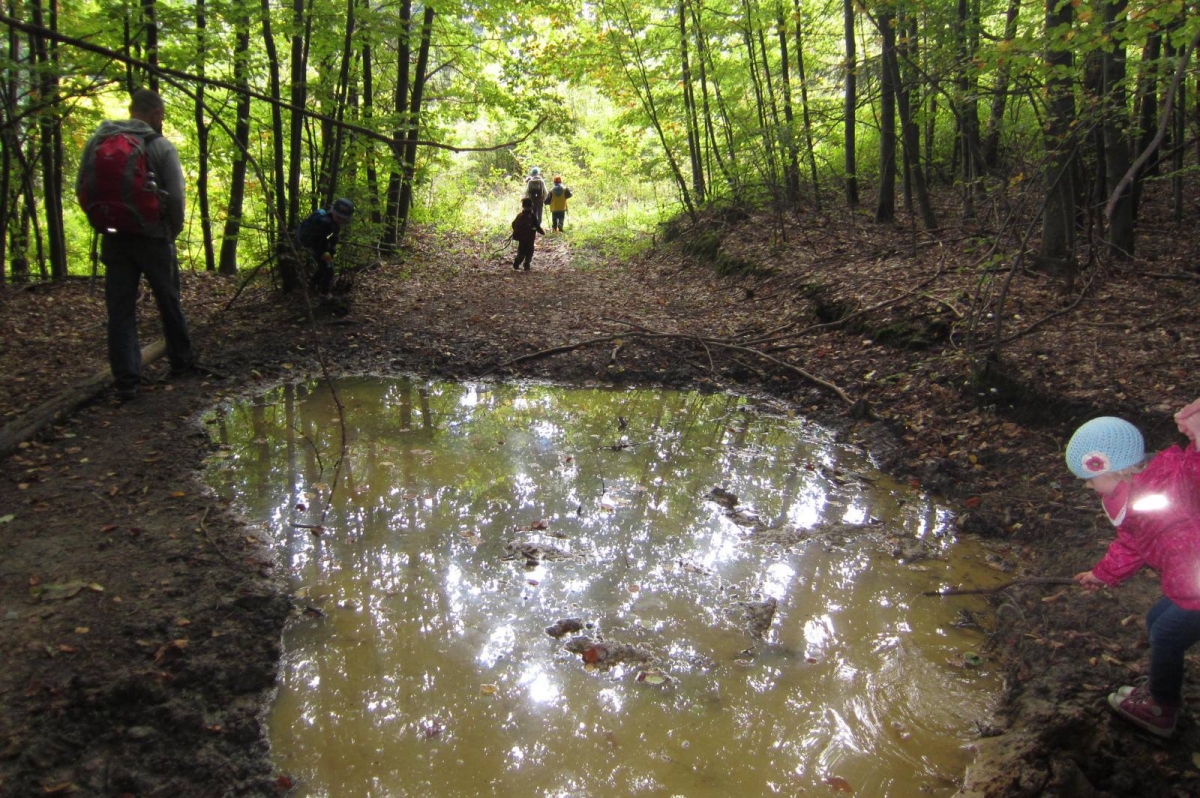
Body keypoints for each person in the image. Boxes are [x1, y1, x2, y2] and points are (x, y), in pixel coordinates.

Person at [1068, 401, 1200, 738]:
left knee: (1166, 634)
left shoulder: (1174, 479)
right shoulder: (1134, 496)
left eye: (1090, 480)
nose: (1088, 487)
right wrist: (1101, 574)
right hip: (1189, 584)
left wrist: (1198, 436)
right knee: (1157, 620)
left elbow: (1195, 467)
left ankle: (1161, 709)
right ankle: (1160, 688)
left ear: (1113, 469)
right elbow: (1132, 543)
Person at [76, 88, 195, 402]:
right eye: (162, 115)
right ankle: (182, 362)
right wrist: (171, 230)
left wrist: (103, 221)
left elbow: (82, 188)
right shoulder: (161, 146)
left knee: (120, 310)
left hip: (114, 237)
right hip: (154, 238)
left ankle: (127, 381)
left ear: (132, 110)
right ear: (155, 113)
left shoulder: (97, 142)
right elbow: (177, 197)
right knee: (168, 300)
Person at [296, 198, 354, 298]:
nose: (340, 220)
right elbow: (319, 242)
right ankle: (324, 293)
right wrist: (325, 254)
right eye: (338, 217)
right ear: (333, 212)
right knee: (329, 271)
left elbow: (330, 238)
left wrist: (330, 251)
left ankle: (313, 286)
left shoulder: (332, 223)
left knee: (323, 268)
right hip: (317, 249)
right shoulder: (325, 223)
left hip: (321, 249)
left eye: (342, 219)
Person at [510, 197, 545, 271]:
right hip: (529, 238)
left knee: (522, 251)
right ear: (531, 206)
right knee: (529, 251)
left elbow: (513, 224)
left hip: (522, 238)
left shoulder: (520, 215)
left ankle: (519, 261)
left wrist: (517, 232)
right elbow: (536, 226)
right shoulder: (532, 216)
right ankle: (525, 264)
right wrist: (541, 231)